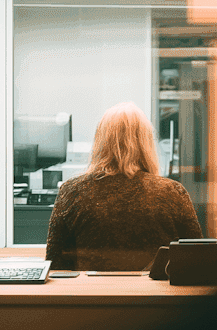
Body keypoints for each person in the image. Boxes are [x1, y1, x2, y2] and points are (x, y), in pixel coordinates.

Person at [45, 102, 202, 271]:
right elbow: (198, 258)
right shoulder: (172, 192)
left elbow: (55, 264)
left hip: (91, 294)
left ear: (100, 141)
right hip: (157, 296)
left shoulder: (71, 191)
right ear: (146, 143)